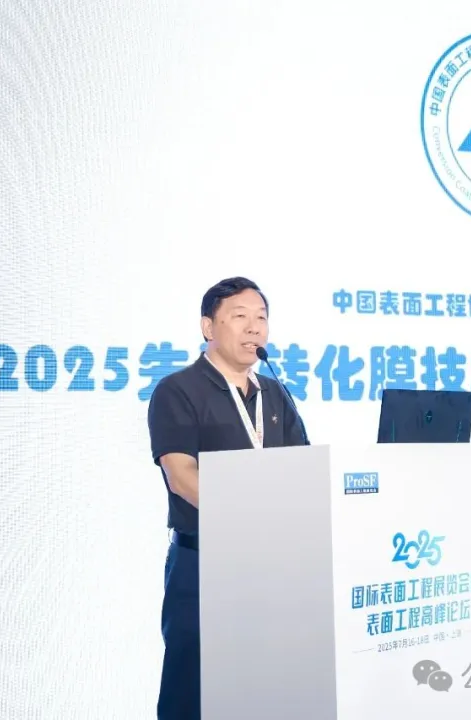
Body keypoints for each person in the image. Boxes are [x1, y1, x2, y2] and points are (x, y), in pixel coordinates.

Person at [146, 276, 308, 719]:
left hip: (271, 564)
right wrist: (248, 517)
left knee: (261, 685)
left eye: (261, 318)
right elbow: (181, 477)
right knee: (192, 687)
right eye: (240, 316)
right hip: (204, 564)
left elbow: (302, 470)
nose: (254, 327)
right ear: (208, 327)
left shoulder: (275, 394)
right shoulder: (178, 390)